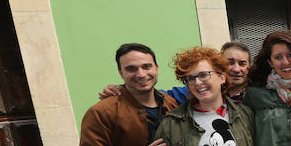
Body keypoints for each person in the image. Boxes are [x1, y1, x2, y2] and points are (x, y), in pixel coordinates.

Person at [97, 41, 251, 104]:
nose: (236, 69)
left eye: (242, 63)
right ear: (220, 68)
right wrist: (122, 90)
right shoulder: (195, 92)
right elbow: (157, 96)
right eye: (230, 62)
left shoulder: (260, 94)